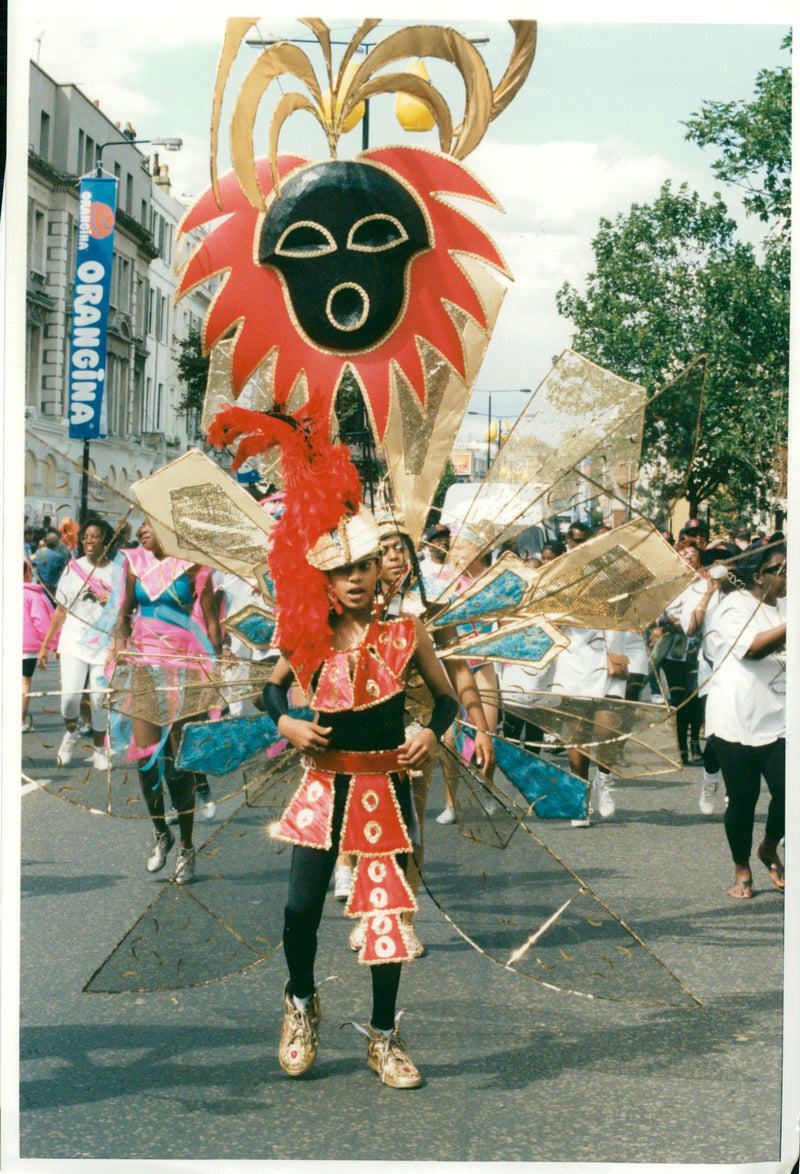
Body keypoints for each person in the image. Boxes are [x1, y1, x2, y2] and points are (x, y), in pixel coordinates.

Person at [263, 508, 458, 1087]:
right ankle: (300, 1005)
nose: (353, 578)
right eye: (342, 570)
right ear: (325, 579)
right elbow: (270, 692)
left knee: (385, 920)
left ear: (380, 572)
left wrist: (429, 732)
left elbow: (446, 700)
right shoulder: (309, 634)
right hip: (323, 786)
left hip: (381, 789)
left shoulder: (406, 632)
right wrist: (288, 725)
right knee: (300, 910)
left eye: (363, 567)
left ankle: (383, 1038)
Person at [111, 520, 223, 882]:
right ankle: (162, 831)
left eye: (149, 524)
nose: (142, 531)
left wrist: (214, 667)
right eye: (141, 524)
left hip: (183, 669)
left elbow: (210, 623)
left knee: (178, 760)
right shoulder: (135, 563)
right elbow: (125, 613)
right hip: (144, 668)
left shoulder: (193, 565)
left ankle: (187, 846)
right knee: (145, 758)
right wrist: (119, 645)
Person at [703, 544, 786, 899]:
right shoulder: (733, 606)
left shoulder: (788, 602)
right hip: (737, 717)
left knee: (789, 792)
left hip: (781, 716)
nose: (789, 576)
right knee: (743, 799)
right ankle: (741, 869)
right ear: (758, 576)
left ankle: (769, 845)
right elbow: (752, 649)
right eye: (780, 569)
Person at [36, 516, 117, 769]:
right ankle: (70, 733)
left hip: (103, 643)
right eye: (86, 537)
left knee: (98, 699)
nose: (89, 541)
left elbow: (124, 612)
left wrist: (111, 602)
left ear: (105, 539)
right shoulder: (73, 568)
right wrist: (45, 645)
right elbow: (60, 609)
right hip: (73, 641)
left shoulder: (117, 570)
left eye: (95, 536)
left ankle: (100, 747)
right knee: (70, 698)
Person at [23, 560, 55, 732]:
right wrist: (51, 643)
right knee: (24, 681)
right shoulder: (32, 594)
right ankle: (20, 721)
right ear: (28, 574)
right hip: (26, 647)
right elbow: (41, 621)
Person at [31, 530, 69, 601]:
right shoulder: (59, 557)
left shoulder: (38, 552)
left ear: (45, 542)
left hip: (39, 585)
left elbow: (30, 560)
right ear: (57, 544)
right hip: (52, 588)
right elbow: (65, 571)